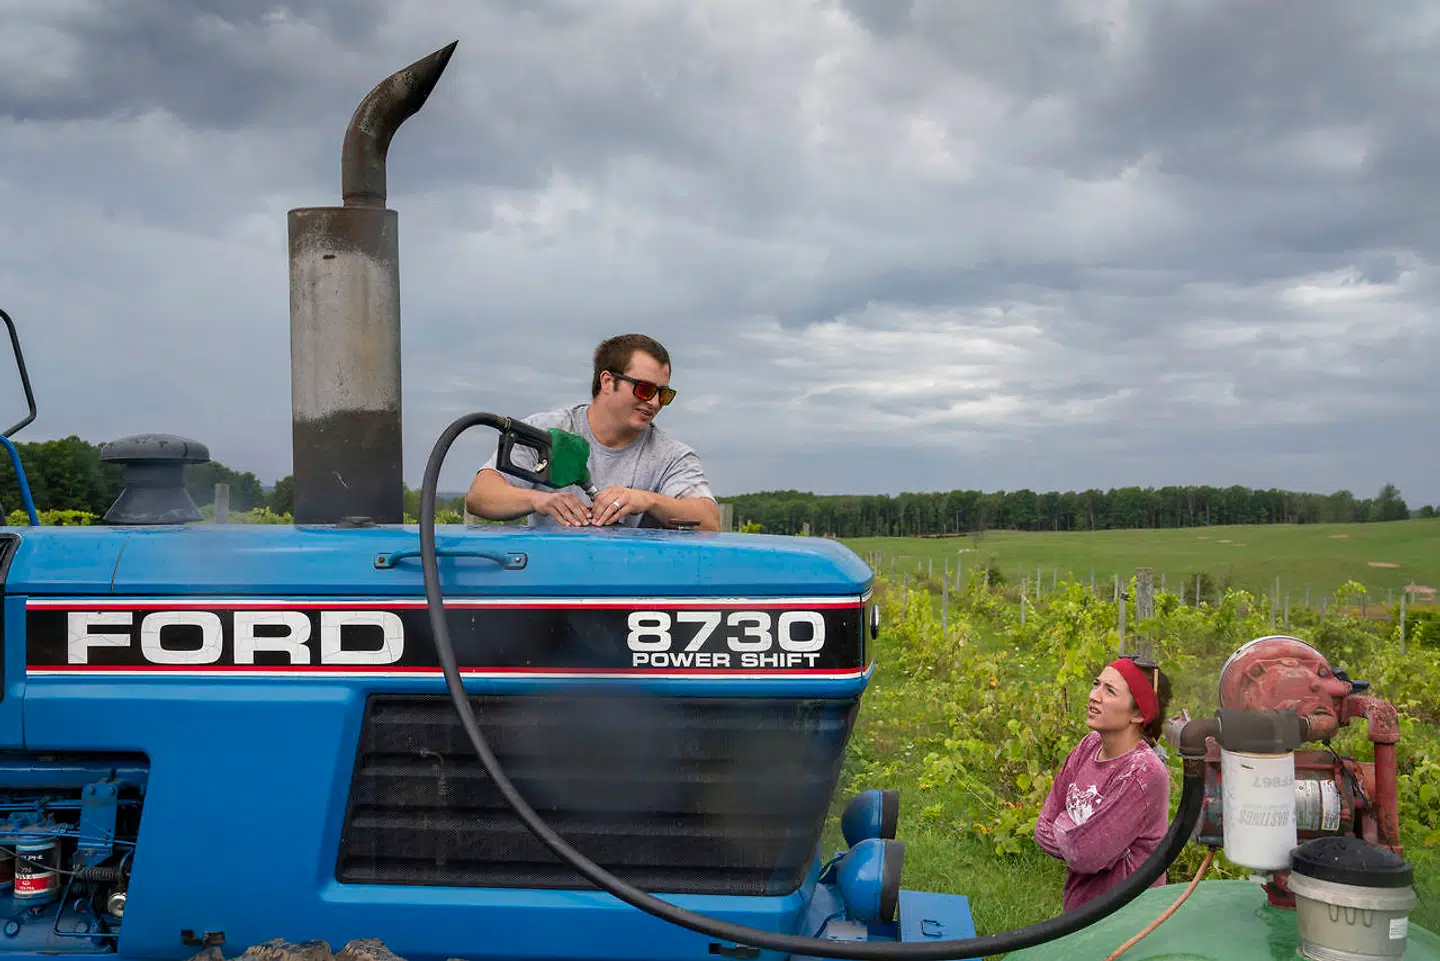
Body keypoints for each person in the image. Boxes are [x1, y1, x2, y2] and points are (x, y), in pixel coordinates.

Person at [465, 333, 721, 531]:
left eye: (663, 394)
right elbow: (480, 496)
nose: (654, 402)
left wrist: (647, 500)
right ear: (608, 381)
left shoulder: (671, 456)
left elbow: (708, 520)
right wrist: (538, 501)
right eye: (644, 389)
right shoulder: (549, 431)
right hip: (549, 586)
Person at [1033, 655, 1174, 912]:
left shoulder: (1143, 772)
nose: (1094, 696)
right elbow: (1042, 830)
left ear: (1138, 713)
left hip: (1125, 922)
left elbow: (1085, 856)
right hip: (1079, 911)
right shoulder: (1089, 746)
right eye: (1096, 684)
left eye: (1109, 691)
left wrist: (1068, 827)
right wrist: (1081, 839)